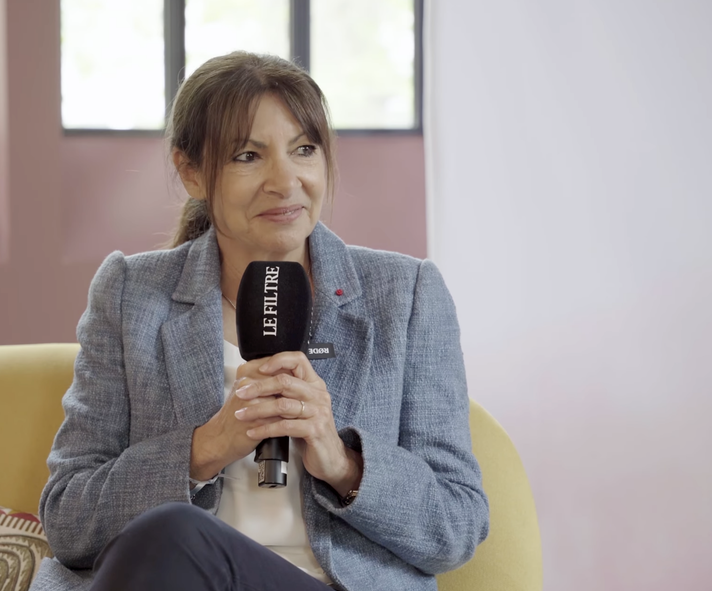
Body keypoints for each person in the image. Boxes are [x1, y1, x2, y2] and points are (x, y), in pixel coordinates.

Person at [29, 52, 489, 591]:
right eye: (248, 156)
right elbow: (69, 520)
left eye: (304, 149)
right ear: (191, 172)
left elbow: (457, 525)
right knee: (175, 536)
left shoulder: (405, 295)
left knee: (176, 535)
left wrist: (341, 462)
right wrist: (205, 448)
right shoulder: (131, 294)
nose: (285, 181)